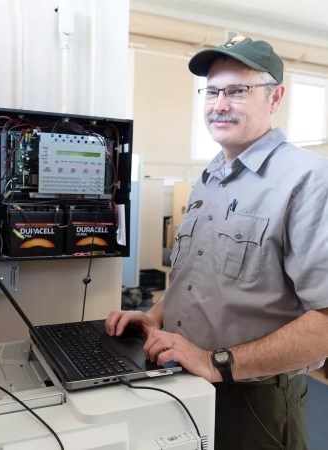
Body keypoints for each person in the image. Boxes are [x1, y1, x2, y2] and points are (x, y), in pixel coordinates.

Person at [106, 36, 328, 450]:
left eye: (237, 91)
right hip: (183, 383)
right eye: (211, 91)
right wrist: (154, 317)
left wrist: (215, 362)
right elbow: (198, 279)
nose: (219, 104)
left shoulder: (308, 181)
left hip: (252, 401)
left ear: (275, 97)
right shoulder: (210, 178)